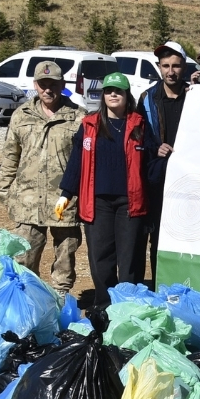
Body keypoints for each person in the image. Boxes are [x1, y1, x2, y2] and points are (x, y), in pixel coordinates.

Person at [0, 60, 85, 297]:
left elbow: (87, 163)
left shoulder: (78, 117)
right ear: (35, 85)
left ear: (62, 84)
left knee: (65, 258)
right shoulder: (21, 115)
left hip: (64, 202)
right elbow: (10, 156)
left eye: (53, 84)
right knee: (25, 258)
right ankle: (28, 301)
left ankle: (59, 300)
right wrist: (6, 192)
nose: (48, 89)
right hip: (27, 201)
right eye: (43, 84)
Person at [58, 72, 147, 303]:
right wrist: (66, 193)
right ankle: (105, 307)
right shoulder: (89, 125)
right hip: (97, 202)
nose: (113, 94)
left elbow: (152, 161)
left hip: (130, 202)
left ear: (128, 95)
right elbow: (76, 160)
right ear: (103, 95)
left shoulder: (139, 125)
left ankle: (128, 307)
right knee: (100, 258)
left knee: (129, 260)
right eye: (108, 90)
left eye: (118, 90)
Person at [138, 41, 189, 287]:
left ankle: (184, 284)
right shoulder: (147, 98)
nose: (171, 71)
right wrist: (154, 148)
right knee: (157, 235)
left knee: (186, 234)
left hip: (189, 178)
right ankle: (159, 283)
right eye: (166, 65)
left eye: (176, 66)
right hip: (157, 178)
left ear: (184, 67)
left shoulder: (195, 97)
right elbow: (139, 135)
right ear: (159, 67)